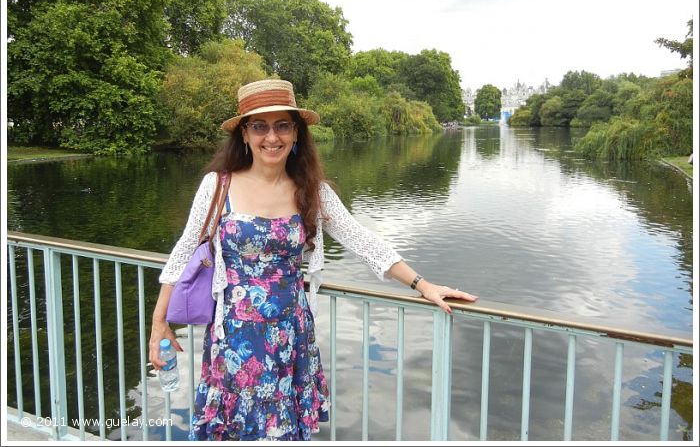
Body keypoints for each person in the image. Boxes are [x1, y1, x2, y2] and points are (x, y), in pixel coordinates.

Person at [148, 79, 478, 441]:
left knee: (283, 430)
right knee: (235, 428)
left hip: (291, 332)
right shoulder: (218, 186)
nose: (271, 137)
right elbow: (182, 253)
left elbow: (361, 240)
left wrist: (424, 285)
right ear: (244, 134)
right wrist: (159, 323)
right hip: (235, 335)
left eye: (282, 126)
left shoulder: (312, 190)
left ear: (296, 134)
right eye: (259, 126)